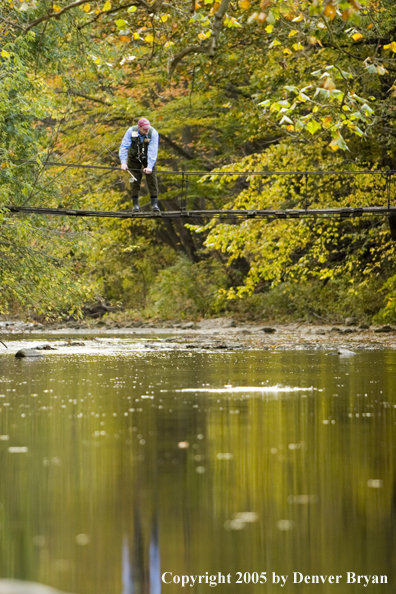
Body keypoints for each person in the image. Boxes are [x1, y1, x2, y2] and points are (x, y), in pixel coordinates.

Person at [119, 117, 160, 212]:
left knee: (152, 179)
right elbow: (124, 147)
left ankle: (154, 205)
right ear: (139, 127)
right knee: (134, 180)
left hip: (148, 158)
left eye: (148, 128)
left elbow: (153, 150)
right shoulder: (130, 131)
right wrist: (123, 162)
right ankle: (135, 206)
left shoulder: (153, 133)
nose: (147, 130)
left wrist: (149, 166)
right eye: (144, 128)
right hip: (134, 158)